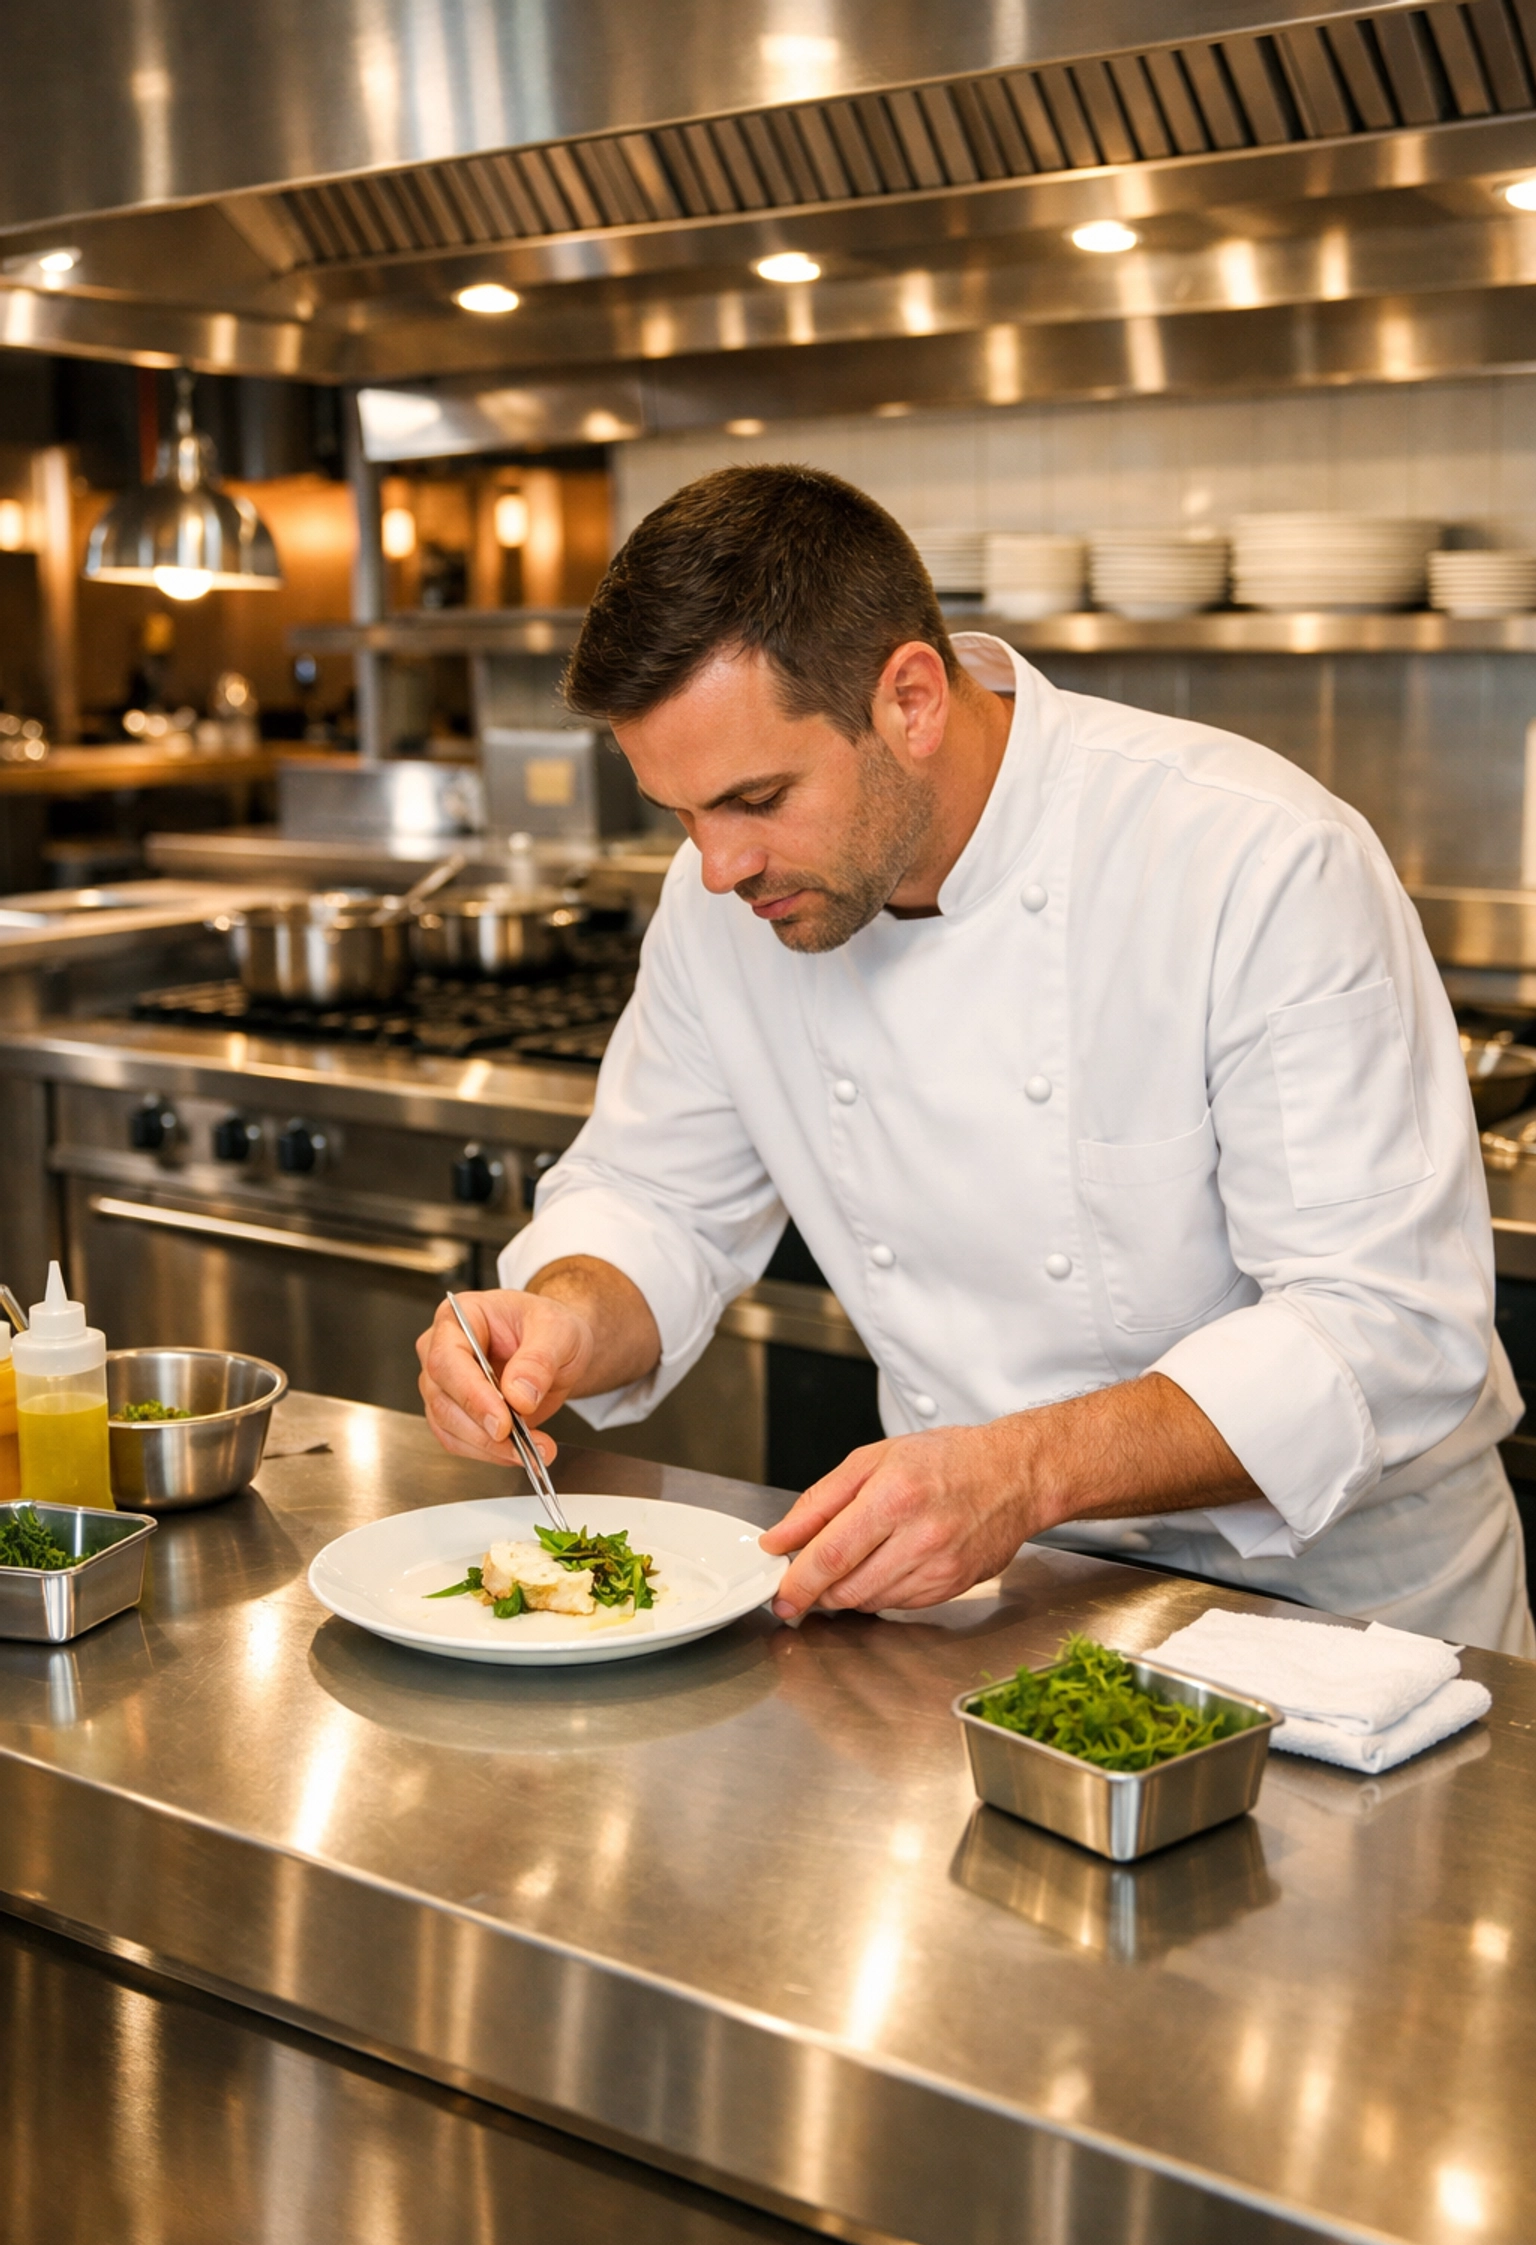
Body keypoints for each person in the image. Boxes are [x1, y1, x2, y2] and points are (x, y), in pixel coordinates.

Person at [417, 464, 1535, 1658]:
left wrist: (1024, 1470)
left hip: (1340, 1619)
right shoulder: (726, 907)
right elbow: (656, 1199)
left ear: (910, 700)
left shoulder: (1252, 859)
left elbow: (1383, 1328)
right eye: (681, 815)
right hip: (983, 1602)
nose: (716, 868)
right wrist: (564, 1319)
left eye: (756, 797)